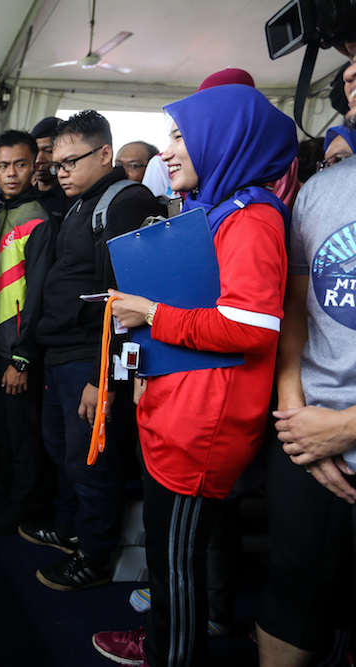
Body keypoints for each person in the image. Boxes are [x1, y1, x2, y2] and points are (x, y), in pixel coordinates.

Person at [93, 84, 297, 667]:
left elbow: (250, 327)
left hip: (202, 425)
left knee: (177, 566)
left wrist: (152, 313)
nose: (167, 151)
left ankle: (172, 654)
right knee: (170, 558)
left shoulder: (252, 220)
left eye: (181, 136)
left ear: (221, 140)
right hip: (182, 411)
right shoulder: (220, 212)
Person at [22, 110, 162, 592]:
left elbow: (127, 300)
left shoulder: (125, 202)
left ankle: (95, 556)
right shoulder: (81, 203)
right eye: (56, 164)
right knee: (63, 452)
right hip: (62, 352)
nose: (60, 172)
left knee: (91, 461)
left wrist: (106, 379)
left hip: (90, 357)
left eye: (70, 162)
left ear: (105, 154)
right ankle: (70, 529)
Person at [259, 44, 356, 667]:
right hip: (308, 433)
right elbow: (297, 307)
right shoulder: (321, 189)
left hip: (337, 428)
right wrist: (296, 416)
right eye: (351, 63)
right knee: (293, 585)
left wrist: (346, 428)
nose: (351, 73)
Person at [0, 129, 56, 536]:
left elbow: (39, 293)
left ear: (34, 167)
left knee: (23, 431)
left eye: (20, 164)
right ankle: (8, 484)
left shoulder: (38, 218)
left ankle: (24, 501)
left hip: (17, 348)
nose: (11, 173)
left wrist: (23, 356)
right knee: (1, 427)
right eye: (4, 165)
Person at [30, 116, 69, 223]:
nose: (39, 159)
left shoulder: (72, 197)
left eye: (48, 151)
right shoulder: (25, 196)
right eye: (35, 151)